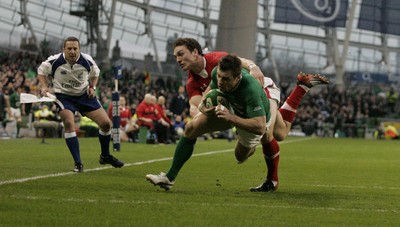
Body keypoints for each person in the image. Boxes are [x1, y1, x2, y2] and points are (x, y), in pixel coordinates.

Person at [168, 37, 329, 191]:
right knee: (281, 133)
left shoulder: (217, 59)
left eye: (181, 54)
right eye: (175, 56)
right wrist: (199, 109)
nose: (178, 59)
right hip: (239, 103)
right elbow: (199, 105)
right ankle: (301, 88)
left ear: (195, 52)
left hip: (261, 89)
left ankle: (271, 182)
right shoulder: (192, 83)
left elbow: (242, 61)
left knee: (266, 132)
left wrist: (253, 67)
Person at [146, 54, 274, 190]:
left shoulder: (250, 89)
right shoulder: (217, 74)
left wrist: (231, 117)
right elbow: (206, 96)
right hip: (229, 106)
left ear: (238, 78)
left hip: (252, 118)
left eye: (225, 79)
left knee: (240, 156)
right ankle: (169, 178)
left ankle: (251, 147)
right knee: (191, 127)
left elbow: (260, 126)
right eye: (219, 76)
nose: (220, 81)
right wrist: (204, 109)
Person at [37, 36, 124, 172]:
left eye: (75, 49)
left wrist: (92, 87)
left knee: (107, 124)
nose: (72, 51)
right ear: (63, 49)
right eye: (69, 48)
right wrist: (43, 87)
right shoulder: (54, 61)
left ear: (79, 49)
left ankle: (105, 156)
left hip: (84, 97)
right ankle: (78, 163)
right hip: (63, 97)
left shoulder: (87, 61)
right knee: (69, 123)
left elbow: (96, 74)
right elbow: (41, 71)